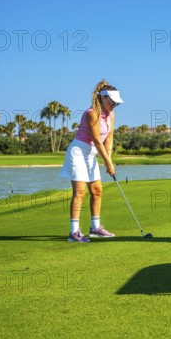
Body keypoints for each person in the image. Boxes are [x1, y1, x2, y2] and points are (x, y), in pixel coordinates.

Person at [60, 80, 123, 242]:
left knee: (97, 190)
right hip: (79, 152)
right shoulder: (91, 113)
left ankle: (95, 228)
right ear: (103, 98)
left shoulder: (111, 115)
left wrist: (109, 159)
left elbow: (109, 139)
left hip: (92, 154)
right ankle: (74, 232)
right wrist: (108, 164)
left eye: (117, 103)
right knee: (80, 192)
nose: (115, 105)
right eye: (112, 102)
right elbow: (96, 139)